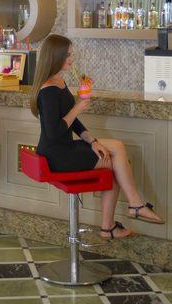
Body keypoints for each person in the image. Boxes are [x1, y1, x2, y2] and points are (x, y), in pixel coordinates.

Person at [30, 34, 163, 239]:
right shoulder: (48, 89)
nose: (72, 58)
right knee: (117, 152)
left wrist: (92, 142)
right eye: (68, 55)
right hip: (55, 156)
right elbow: (54, 132)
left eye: (71, 54)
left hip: (66, 148)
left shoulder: (59, 81)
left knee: (116, 161)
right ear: (55, 56)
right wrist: (77, 108)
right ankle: (132, 208)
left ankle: (113, 223)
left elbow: (72, 122)